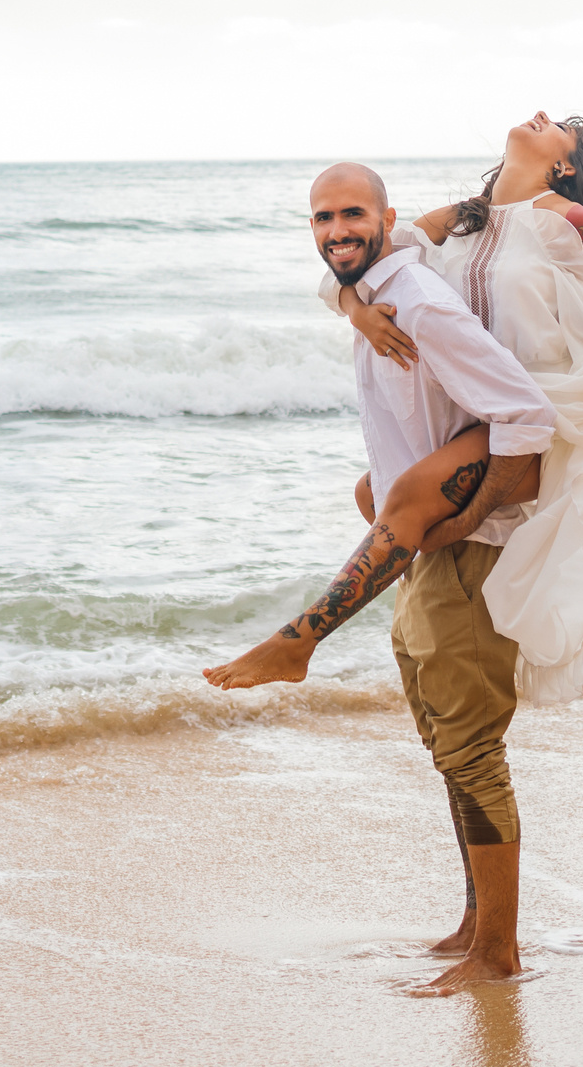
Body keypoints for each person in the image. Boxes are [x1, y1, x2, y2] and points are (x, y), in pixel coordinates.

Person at [219, 162, 564, 992]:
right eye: (322, 218)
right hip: (424, 555)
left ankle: (499, 952)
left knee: (472, 749)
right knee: (446, 741)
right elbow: (370, 260)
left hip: (468, 551)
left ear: (386, 216)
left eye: (351, 215)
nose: (336, 230)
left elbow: (527, 415)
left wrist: (456, 517)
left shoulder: (419, 302)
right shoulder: (378, 282)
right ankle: (476, 924)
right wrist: (350, 305)